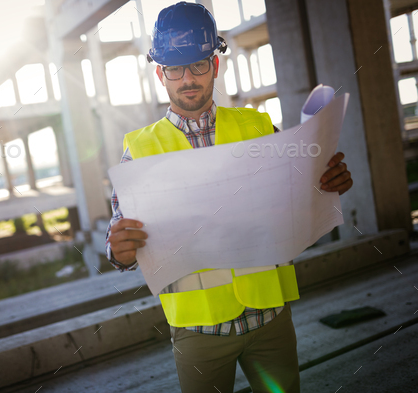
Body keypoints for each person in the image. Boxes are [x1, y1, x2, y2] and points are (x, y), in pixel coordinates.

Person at [105, 2, 353, 393]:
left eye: (199, 65)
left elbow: (298, 195)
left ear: (215, 66)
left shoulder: (258, 127)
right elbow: (119, 242)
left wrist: (326, 184)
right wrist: (119, 251)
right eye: (175, 68)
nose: (188, 78)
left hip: (270, 319)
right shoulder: (139, 152)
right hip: (198, 332)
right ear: (161, 75)